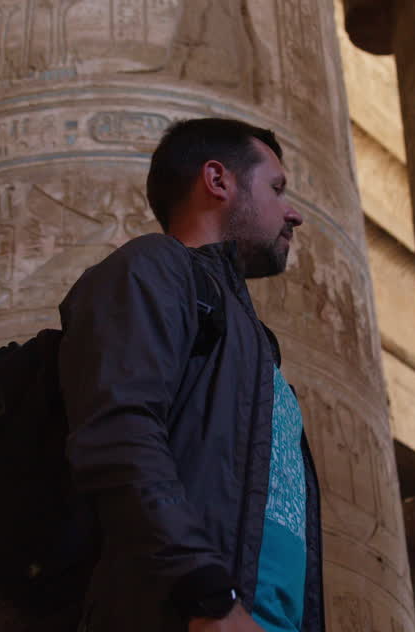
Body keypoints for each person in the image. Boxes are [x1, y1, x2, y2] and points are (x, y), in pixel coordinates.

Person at [58, 117, 320, 632]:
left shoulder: (254, 342)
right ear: (218, 181)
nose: (293, 214)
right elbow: (119, 435)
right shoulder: (152, 269)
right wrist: (207, 595)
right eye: (277, 188)